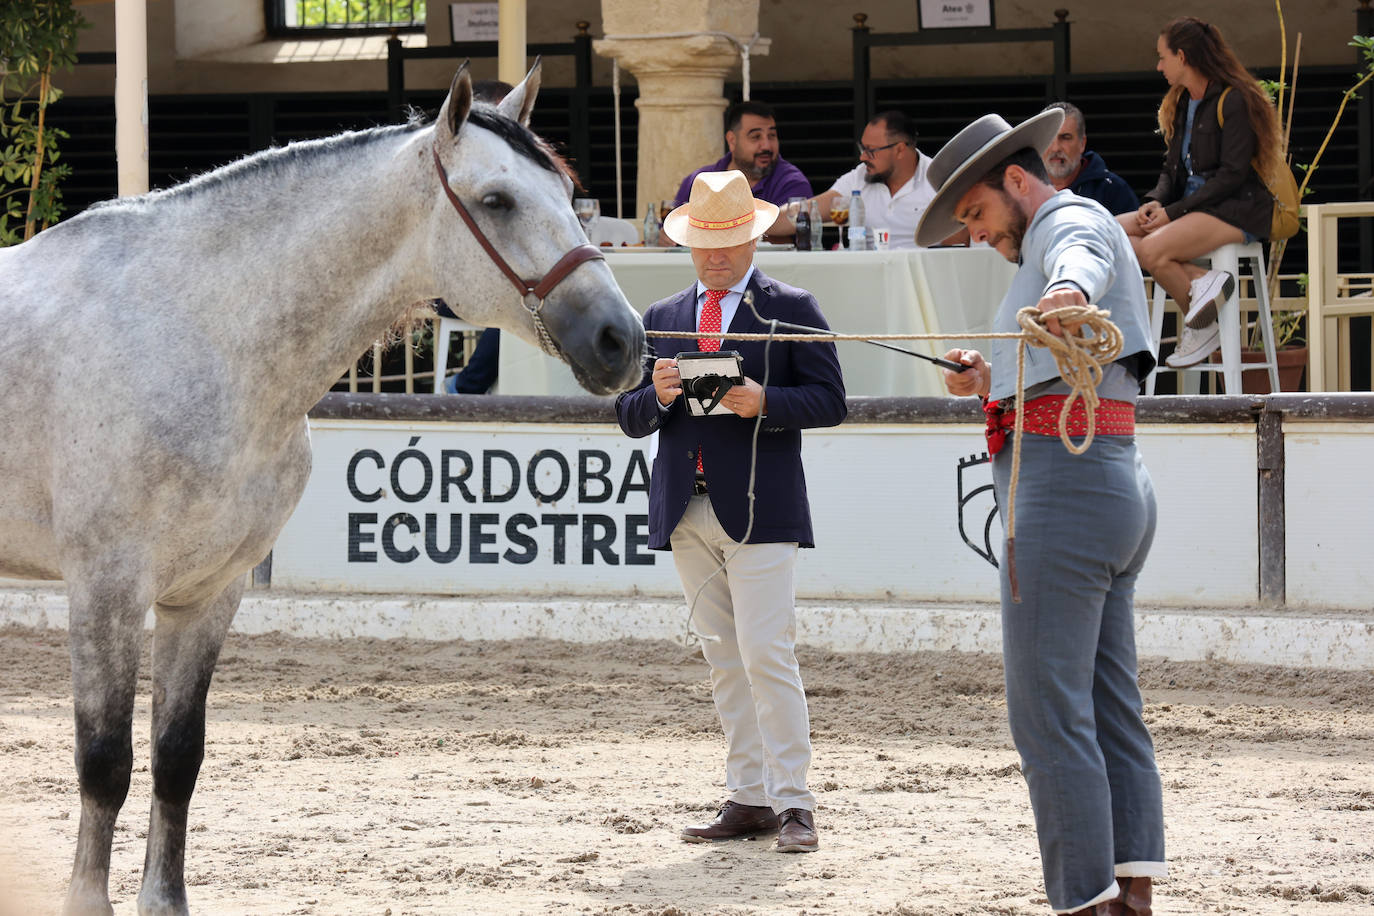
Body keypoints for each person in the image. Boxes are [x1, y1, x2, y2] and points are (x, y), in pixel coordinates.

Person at [916, 110, 1163, 916]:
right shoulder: (1058, 227)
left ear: (1017, 181)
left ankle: (1086, 901)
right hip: (1108, 475)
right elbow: (1064, 335)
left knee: (1047, 714)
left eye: (979, 216)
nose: (981, 236)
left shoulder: (1069, 217)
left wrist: (1064, 290)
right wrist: (991, 373)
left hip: (1062, 486)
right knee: (1103, 703)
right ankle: (1127, 891)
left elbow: (1080, 259)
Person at [615, 169, 846, 854]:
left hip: (761, 504)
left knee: (767, 651)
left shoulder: (792, 306)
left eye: (726, 242)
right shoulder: (660, 317)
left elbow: (832, 402)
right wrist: (656, 395)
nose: (714, 257)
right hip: (688, 507)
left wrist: (764, 401)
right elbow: (627, 415)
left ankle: (795, 800)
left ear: (750, 238)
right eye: (703, 243)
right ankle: (750, 796)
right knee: (723, 654)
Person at [1120, 16, 1283, 369]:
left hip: (1234, 208)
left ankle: (1203, 326)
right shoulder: (1182, 102)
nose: (1158, 65)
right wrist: (1155, 202)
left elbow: (1232, 176)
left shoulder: (1233, 99)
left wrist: (1173, 212)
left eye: (1163, 57)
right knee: (1112, 231)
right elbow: (1171, 170)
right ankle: (1203, 283)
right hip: (1190, 207)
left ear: (1183, 56)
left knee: (1152, 249)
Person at [441, 79, 517, 394]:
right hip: (447, 285)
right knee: (522, 302)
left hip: (496, 280)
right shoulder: (454, 167)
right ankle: (466, 389)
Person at [672, 100, 813, 209]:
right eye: (756, 137)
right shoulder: (699, 181)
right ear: (732, 141)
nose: (767, 146)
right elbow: (670, 233)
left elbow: (794, 236)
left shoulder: (791, 182)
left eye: (772, 135)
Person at [1041, 102, 1140, 216]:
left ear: (1082, 143)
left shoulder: (1113, 190)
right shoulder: (1022, 188)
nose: (1055, 148)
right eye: (1050, 137)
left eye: (1065, 138)